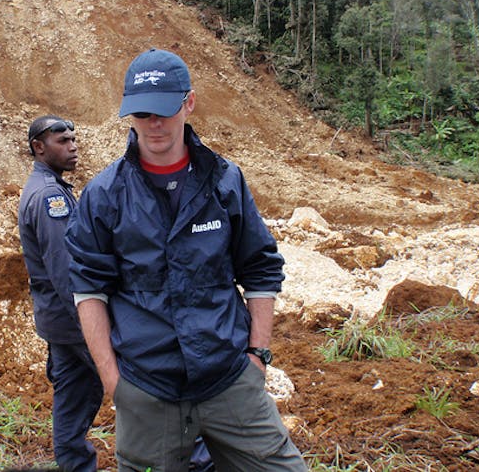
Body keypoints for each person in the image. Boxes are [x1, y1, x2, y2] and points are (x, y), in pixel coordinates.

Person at [65, 49, 307, 472]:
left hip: (229, 377)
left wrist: (257, 356)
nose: (153, 124)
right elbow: (88, 290)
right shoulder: (105, 195)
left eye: (164, 110)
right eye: (141, 114)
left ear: (188, 103)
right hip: (147, 387)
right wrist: (114, 383)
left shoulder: (224, 181)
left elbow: (261, 268)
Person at [18, 116, 103, 472]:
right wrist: (93, 325)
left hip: (57, 321)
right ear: (39, 148)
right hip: (73, 321)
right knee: (138, 384)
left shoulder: (47, 187)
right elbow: (66, 269)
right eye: (63, 141)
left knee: (74, 394)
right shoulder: (50, 196)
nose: (73, 146)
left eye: (74, 139)